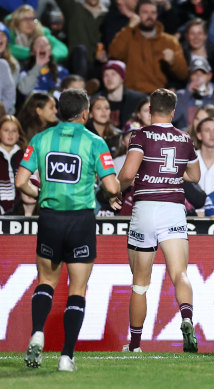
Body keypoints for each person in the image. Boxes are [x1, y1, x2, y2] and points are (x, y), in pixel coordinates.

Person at [15, 88, 120, 371]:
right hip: (80, 221)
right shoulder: (95, 142)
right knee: (78, 288)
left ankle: (38, 331)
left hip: (50, 218)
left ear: (59, 111)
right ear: (85, 113)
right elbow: (111, 187)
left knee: (46, 282)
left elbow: (21, 180)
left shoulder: (40, 139)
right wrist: (114, 189)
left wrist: (38, 194)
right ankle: (66, 357)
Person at [110, 88, 201, 353]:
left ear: (150, 109)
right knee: (180, 273)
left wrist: (115, 190)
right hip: (173, 208)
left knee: (140, 283)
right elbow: (194, 176)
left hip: (146, 209)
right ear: (173, 112)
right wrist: (169, 176)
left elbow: (127, 174)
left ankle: (135, 345)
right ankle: (186, 319)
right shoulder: (184, 138)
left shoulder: (140, 134)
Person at [108, 0, 188, 94]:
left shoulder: (169, 41)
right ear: (137, 15)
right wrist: (129, 27)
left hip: (158, 95)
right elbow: (114, 54)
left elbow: (183, 75)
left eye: (153, 13)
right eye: (145, 12)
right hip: (131, 94)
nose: (149, 16)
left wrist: (174, 61)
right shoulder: (127, 36)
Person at [174, 56, 214, 131]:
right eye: (195, 73)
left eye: (203, 73)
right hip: (184, 140)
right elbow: (172, 119)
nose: (198, 77)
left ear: (209, 76)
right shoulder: (180, 95)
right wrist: (187, 93)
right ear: (189, 76)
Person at [97, 60, 146, 128]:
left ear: (122, 78)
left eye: (113, 74)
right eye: (106, 75)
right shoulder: (96, 100)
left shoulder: (137, 100)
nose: (109, 78)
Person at [0, 115, 25, 214]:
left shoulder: (25, 156)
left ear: (18, 134)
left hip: (21, 209)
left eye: (14, 131)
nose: (10, 134)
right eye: (6, 130)